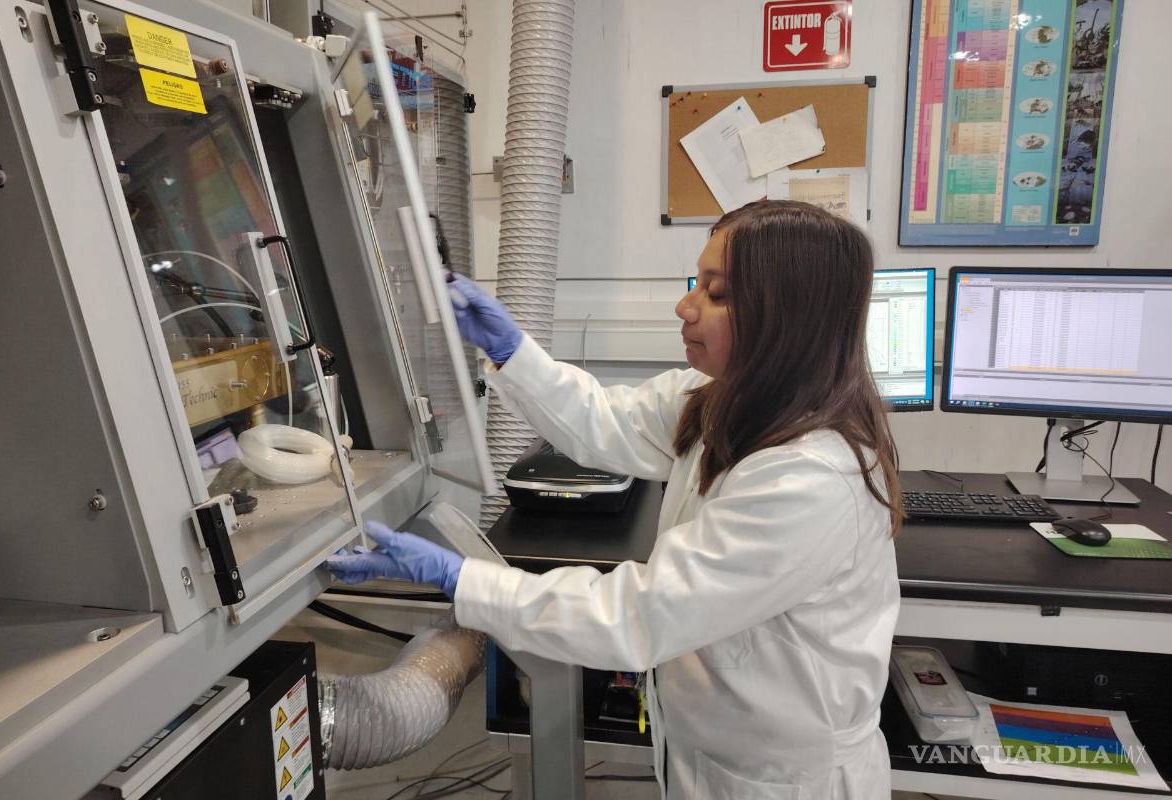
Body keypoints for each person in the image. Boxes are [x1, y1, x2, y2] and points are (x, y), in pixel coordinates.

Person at [329, 200, 902, 799]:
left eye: (718, 293)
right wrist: (509, 349)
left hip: (784, 782)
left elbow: (638, 615)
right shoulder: (721, 399)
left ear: (788, 318)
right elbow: (602, 420)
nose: (686, 307)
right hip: (714, 756)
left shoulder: (810, 480)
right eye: (695, 284)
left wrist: (466, 580)